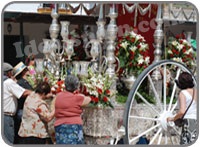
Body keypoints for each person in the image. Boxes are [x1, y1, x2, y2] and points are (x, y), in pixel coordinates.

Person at [54, 75, 91, 144]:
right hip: (74, 125)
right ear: (76, 86)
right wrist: (79, 94)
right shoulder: (77, 98)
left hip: (60, 125)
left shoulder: (58, 96)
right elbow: (88, 99)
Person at [3, 62, 31, 144]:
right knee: (8, 140)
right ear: (8, 73)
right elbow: (24, 93)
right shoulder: (8, 82)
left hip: (6, 116)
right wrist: (38, 93)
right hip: (6, 117)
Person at [167, 72, 197, 145]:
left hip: (188, 123)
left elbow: (182, 112)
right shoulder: (196, 92)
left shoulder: (183, 93)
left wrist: (172, 118)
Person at [13, 62, 33, 143]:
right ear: (24, 72)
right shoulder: (21, 82)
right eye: (26, 70)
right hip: (22, 110)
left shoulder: (25, 82)